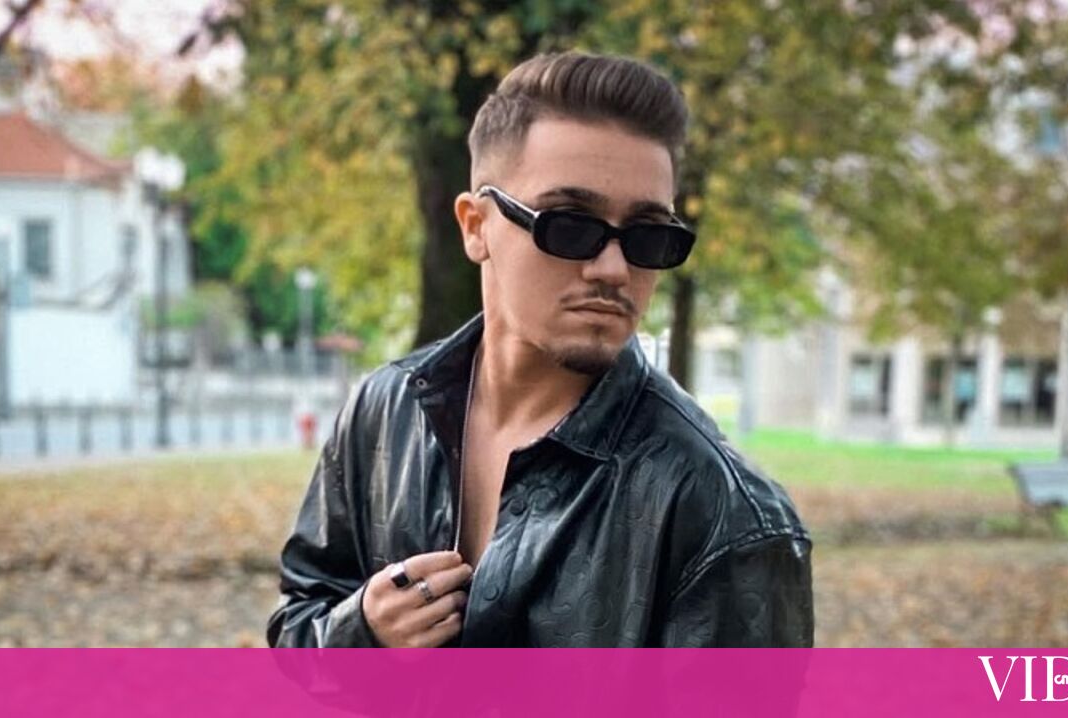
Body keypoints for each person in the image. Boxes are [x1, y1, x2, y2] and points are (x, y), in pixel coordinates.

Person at [268, 51, 813, 648]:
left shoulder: (724, 517)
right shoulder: (383, 412)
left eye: (648, 236)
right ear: (476, 226)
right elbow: (298, 621)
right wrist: (362, 633)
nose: (613, 269)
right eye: (570, 225)